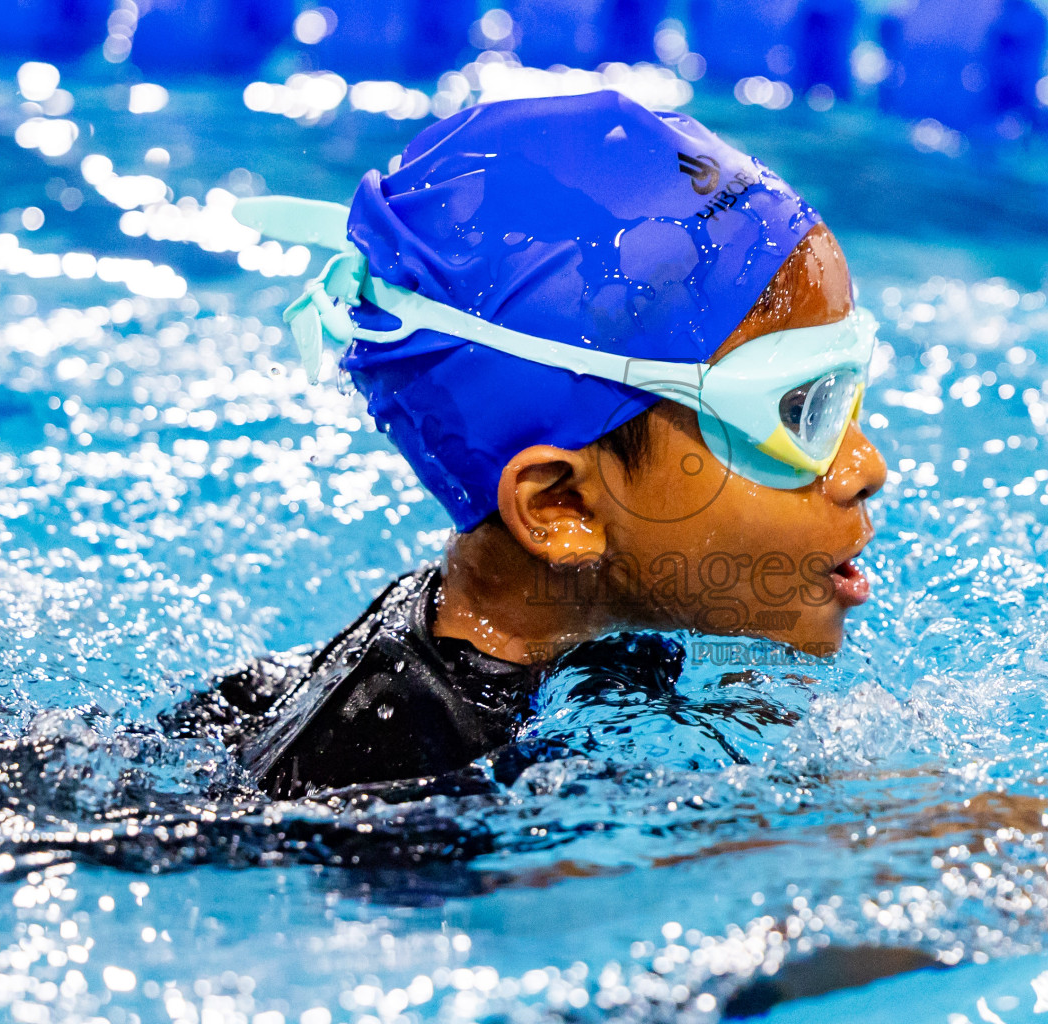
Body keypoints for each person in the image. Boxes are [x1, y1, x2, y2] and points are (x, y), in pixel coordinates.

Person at [167, 90, 888, 799]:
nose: (866, 467)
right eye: (801, 411)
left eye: (848, 388)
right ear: (562, 506)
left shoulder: (559, 624)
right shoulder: (414, 785)